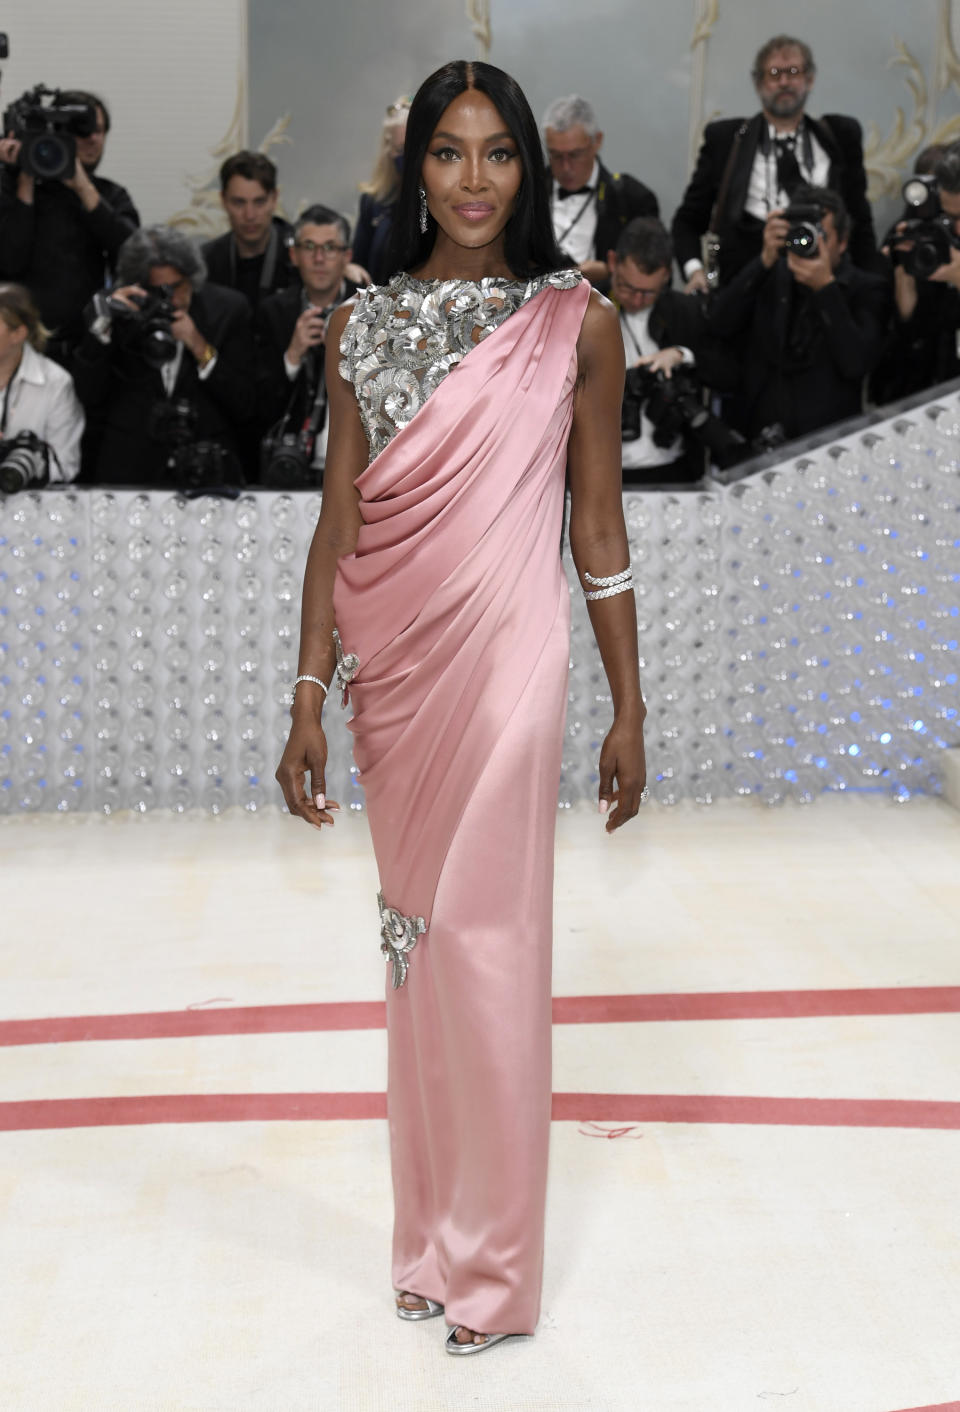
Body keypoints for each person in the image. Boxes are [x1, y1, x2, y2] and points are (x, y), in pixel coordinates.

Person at [275, 59, 647, 1355]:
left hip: (511, 666)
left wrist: (630, 704)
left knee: (491, 949)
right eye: (450, 152)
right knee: (419, 953)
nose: (476, 180)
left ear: (530, 169)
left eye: (499, 154)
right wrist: (310, 692)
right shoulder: (363, 329)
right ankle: (432, 1242)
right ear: (413, 166)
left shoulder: (575, 319)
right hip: (397, 677)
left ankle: (494, 1271)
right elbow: (340, 520)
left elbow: (595, 522)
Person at [672, 35, 877, 292]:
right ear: (758, 83)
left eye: (793, 71)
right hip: (746, 292)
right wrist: (695, 271)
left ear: (810, 79)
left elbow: (859, 221)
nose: (784, 82)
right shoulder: (725, 140)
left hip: (823, 288)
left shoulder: (840, 136)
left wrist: (873, 289)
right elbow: (687, 222)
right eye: (774, 73)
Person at [706, 184, 890, 446]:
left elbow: (856, 363)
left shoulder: (868, 289)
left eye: (820, 234)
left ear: (843, 241)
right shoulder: (769, 275)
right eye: (800, 233)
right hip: (758, 439)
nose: (808, 242)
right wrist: (764, 260)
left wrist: (826, 289)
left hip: (829, 443)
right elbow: (719, 324)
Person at [71, 224, 255, 485]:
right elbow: (88, 395)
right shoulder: (118, 314)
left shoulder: (227, 310)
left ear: (192, 277)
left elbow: (245, 403)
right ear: (138, 286)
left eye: (177, 286)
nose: (172, 300)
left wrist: (199, 346)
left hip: (205, 469)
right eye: (158, 291)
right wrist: (104, 328)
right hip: (130, 470)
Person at [0, 90, 139, 358]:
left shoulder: (110, 195)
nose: (93, 139)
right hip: (18, 349)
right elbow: (9, 261)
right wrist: (25, 177)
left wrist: (83, 188)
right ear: (56, 133)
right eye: (82, 130)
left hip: (86, 347)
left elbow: (132, 255)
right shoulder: (12, 188)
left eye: (99, 131)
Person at [607, 217, 728, 482]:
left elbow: (727, 372)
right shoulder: (582, 310)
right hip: (598, 473)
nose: (637, 300)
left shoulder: (684, 311)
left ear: (665, 277)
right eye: (627, 287)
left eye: (649, 292)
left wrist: (682, 355)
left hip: (673, 468)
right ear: (613, 262)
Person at [254, 205, 359, 478]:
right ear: (294, 255)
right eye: (309, 247)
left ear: (346, 256)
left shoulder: (370, 309)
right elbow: (255, 407)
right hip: (287, 462)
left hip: (357, 464)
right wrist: (292, 356)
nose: (319, 258)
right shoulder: (273, 312)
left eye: (330, 248)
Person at [872, 141, 960, 404]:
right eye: (949, 217)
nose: (956, 229)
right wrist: (904, 279)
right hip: (924, 388)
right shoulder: (922, 233)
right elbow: (908, 332)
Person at [542, 94, 658, 285]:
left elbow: (652, 273)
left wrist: (610, 271)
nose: (566, 167)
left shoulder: (632, 199)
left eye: (575, 155)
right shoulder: (524, 192)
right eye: (555, 155)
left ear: (597, 141)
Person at [0, 282, 84, 482]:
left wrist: (30, 460)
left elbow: (66, 465)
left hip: (29, 505)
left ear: (18, 334)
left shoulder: (56, 382)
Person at [201, 152, 297, 311]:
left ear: (274, 199)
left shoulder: (300, 258)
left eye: (259, 202)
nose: (249, 215)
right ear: (223, 200)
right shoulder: (205, 263)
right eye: (239, 203)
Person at [352, 98, 410, 286]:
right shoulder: (374, 203)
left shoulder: (444, 204)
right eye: (401, 149)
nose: (408, 156)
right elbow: (359, 264)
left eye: (414, 147)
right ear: (389, 151)